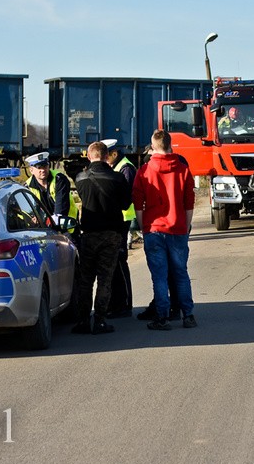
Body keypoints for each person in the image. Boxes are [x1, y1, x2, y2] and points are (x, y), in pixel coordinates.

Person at [132, 130, 197, 330]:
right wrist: (185, 227)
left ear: (153, 146)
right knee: (181, 273)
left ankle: (163, 317)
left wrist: (144, 228)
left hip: (154, 229)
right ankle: (188, 315)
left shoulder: (144, 170)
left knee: (159, 276)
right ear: (170, 144)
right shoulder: (183, 169)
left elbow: (138, 203)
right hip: (177, 229)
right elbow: (189, 203)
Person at [72, 141, 132, 335]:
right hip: (111, 235)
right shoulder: (117, 178)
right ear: (107, 156)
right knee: (105, 279)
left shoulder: (80, 178)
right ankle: (100, 321)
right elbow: (125, 204)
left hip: (88, 234)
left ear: (89, 157)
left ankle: (83, 321)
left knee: (86, 280)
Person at [102, 138, 136, 319]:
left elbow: (126, 197)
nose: (104, 160)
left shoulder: (125, 168)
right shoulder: (117, 166)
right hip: (115, 219)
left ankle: (125, 305)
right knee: (115, 263)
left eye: (106, 156)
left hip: (123, 219)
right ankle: (117, 304)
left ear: (114, 154)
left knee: (120, 262)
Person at [24, 152, 78, 231]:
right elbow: (29, 210)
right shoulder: (27, 186)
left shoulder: (59, 179)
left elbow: (61, 209)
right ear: (31, 170)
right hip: (44, 228)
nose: (43, 170)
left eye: (45, 166)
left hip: (67, 225)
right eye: (39, 167)